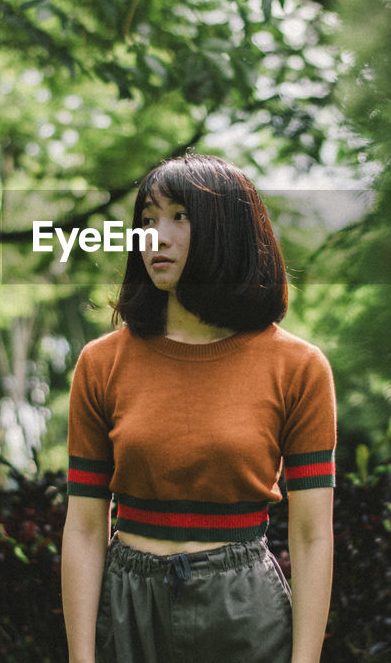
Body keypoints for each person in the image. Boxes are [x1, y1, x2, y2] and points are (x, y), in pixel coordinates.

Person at [60, 153, 337, 663]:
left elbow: (313, 533)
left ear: (226, 230)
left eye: (179, 217)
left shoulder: (298, 367)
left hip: (243, 611)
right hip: (128, 609)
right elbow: (83, 525)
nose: (156, 237)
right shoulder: (100, 363)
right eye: (146, 220)